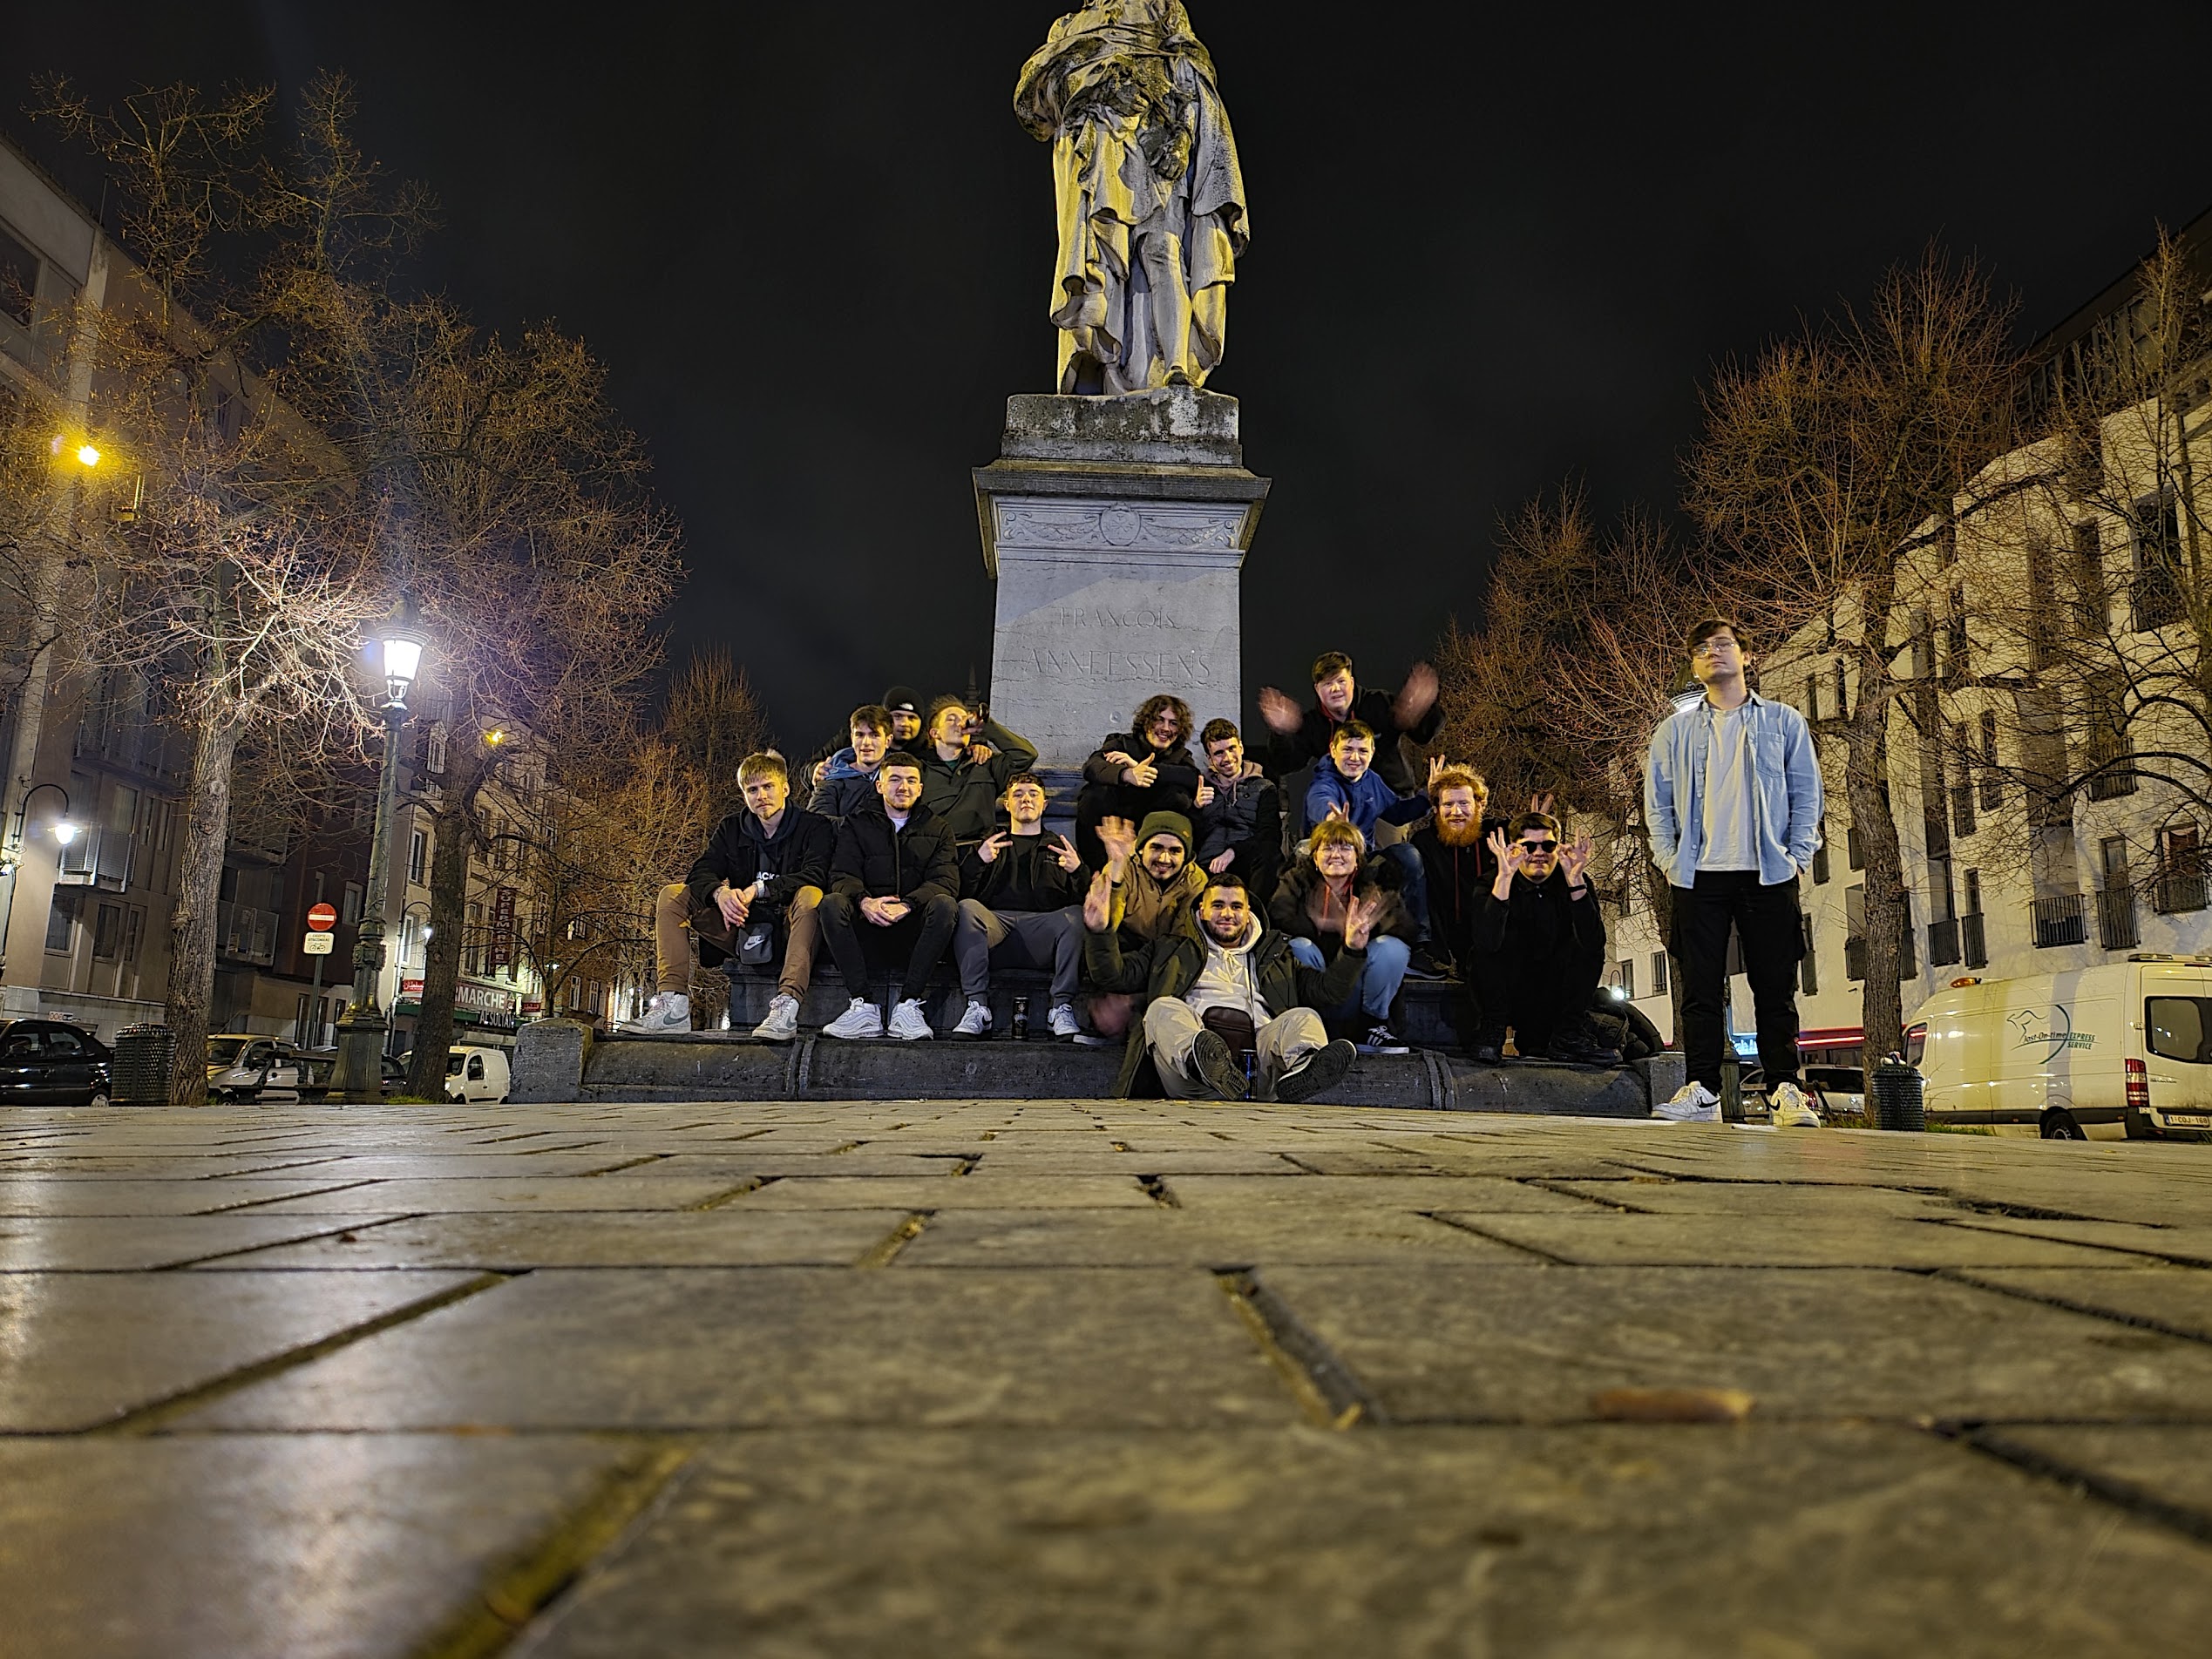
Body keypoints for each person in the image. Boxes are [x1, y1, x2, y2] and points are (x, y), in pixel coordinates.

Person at [1014, 1, 1247, 395]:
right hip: (1097, 146)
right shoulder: (1068, 27)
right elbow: (1033, 102)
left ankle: (1176, 370)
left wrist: (1185, 136)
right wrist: (1094, 81)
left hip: (1155, 136)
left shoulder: (1159, 8)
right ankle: (1110, 378)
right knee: (1104, 260)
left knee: (1162, 250)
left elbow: (1193, 75)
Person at [1645, 618, 1823, 1126]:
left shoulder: (1784, 722)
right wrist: (1667, 858)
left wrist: (1798, 854)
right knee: (1699, 987)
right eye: (1701, 649)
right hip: (1698, 874)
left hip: (1768, 870)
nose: (1712, 654)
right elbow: (1656, 803)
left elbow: (1807, 793)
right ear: (1694, 664)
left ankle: (1785, 1090)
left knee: (1775, 984)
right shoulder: (1674, 731)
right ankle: (1700, 1088)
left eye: (1722, 645)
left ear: (1747, 656)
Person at [1082, 867, 1365, 1102]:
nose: (1227, 913)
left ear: (1248, 911)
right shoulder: (1170, 948)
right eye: (1218, 905)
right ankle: (1203, 1062)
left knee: (1304, 1017)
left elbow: (1330, 991)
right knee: (1162, 1009)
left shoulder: (1276, 954)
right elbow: (1113, 976)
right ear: (1202, 910)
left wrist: (1351, 950)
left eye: (1235, 906)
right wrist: (1098, 931)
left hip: (1260, 1069)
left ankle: (1304, 1067)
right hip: (1189, 1079)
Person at [624, 751, 832, 1042]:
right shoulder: (732, 828)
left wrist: (759, 889)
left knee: (812, 895)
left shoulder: (814, 827)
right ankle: (673, 1004)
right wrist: (720, 893)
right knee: (672, 895)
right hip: (742, 925)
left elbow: (816, 874)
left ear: (785, 788)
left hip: (792, 930)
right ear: (744, 795)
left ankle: (786, 1006)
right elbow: (702, 871)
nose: (761, 796)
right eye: (752, 790)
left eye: (768, 786)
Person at [817, 752, 961, 1040]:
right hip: (866, 927)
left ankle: (908, 1005)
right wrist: (865, 902)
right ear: (880, 785)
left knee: (945, 905)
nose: (902, 787)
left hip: (915, 932)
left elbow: (945, 881)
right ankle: (863, 1007)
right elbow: (841, 875)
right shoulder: (856, 824)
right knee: (831, 903)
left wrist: (908, 904)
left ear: (920, 788)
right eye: (894, 779)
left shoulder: (938, 828)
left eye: (910, 780)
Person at [1469, 812, 1615, 1065]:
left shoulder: (1574, 881)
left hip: (1554, 991)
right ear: (1516, 848)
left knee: (1587, 947)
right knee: (1485, 949)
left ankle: (1569, 1034)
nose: (1539, 853)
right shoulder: (1492, 882)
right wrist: (1504, 878)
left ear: (1557, 849)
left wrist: (1576, 881)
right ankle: (1492, 1031)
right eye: (1529, 846)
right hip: (1509, 990)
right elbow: (1486, 942)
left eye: (1547, 846)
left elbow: (1594, 944)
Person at [950, 774, 1088, 1040]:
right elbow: (960, 893)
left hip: (1043, 934)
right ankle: (978, 1007)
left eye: (1033, 794)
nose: (1026, 799)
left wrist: (1078, 871)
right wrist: (977, 862)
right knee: (967, 908)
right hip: (996, 932)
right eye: (1018, 794)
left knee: (1076, 916)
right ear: (1007, 804)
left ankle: (1060, 1008)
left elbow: (1087, 903)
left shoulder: (1059, 848)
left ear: (1045, 804)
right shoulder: (989, 843)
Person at [1269, 817, 1415, 1053]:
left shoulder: (1374, 882)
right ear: (1315, 858)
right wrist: (1325, 926)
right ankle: (1312, 1028)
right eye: (1328, 847)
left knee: (1392, 948)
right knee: (1299, 946)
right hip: (1319, 981)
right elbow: (1278, 918)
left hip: (1359, 984)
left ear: (1357, 858)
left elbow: (1405, 928)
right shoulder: (1296, 879)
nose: (1336, 854)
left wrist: (1368, 929)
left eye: (1345, 847)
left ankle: (1373, 1027)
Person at [1305, 723, 1439, 972]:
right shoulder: (1324, 783)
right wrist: (1331, 819)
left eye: (1362, 751)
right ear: (1333, 750)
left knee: (1408, 855)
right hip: (1333, 858)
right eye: (1347, 750)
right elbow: (1320, 800)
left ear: (1372, 752)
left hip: (1365, 857)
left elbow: (1397, 813)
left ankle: (1420, 944)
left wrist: (1426, 797)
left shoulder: (1372, 781)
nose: (1355, 758)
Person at [1258, 650, 1444, 805]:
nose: (1335, 689)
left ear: (1352, 682)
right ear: (1317, 689)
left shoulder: (1379, 705)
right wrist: (1281, 733)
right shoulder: (1312, 725)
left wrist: (1422, 710)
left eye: (1341, 681)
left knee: (1395, 849)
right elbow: (1285, 765)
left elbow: (1423, 735)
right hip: (1339, 803)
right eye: (1327, 684)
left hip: (1388, 803)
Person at [1075, 694, 1202, 870]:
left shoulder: (1180, 756)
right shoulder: (1122, 743)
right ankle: (1095, 871)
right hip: (1113, 826)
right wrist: (1127, 774)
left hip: (1151, 833)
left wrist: (1143, 769)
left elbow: (1192, 777)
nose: (1166, 728)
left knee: (1179, 797)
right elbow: (1092, 767)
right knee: (1092, 794)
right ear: (1146, 721)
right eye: (1159, 720)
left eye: (1173, 723)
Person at [1408, 766, 1494, 978]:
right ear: (1436, 808)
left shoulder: (1494, 839)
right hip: (1440, 944)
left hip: (1485, 943)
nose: (1456, 812)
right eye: (1448, 804)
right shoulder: (1424, 843)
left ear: (1480, 806)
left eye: (1464, 803)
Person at [918, 695, 1040, 845]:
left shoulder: (985, 763)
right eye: (951, 719)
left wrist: (986, 727)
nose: (960, 724)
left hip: (981, 852)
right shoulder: (919, 769)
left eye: (964, 718)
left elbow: (1026, 755)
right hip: (937, 851)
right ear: (935, 733)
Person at [1191, 718, 1281, 902]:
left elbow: (1270, 834)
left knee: (1270, 854)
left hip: (1247, 860)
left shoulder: (1264, 787)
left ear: (1241, 747)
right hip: (1207, 864)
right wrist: (1195, 808)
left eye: (1232, 749)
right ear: (1210, 758)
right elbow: (1191, 834)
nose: (1227, 758)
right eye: (1219, 753)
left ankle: (1256, 915)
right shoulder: (1200, 787)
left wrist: (1233, 852)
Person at [811, 687, 926, 793]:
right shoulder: (847, 742)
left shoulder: (927, 753)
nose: (904, 724)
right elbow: (811, 766)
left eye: (912, 718)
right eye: (898, 716)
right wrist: (813, 771)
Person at [810, 704, 893, 820]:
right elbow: (817, 823)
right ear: (852, 738)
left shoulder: (901, 777)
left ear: (888, 741)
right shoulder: (832, 776)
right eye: (860, 735)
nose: (866, 742)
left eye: (874, 735)